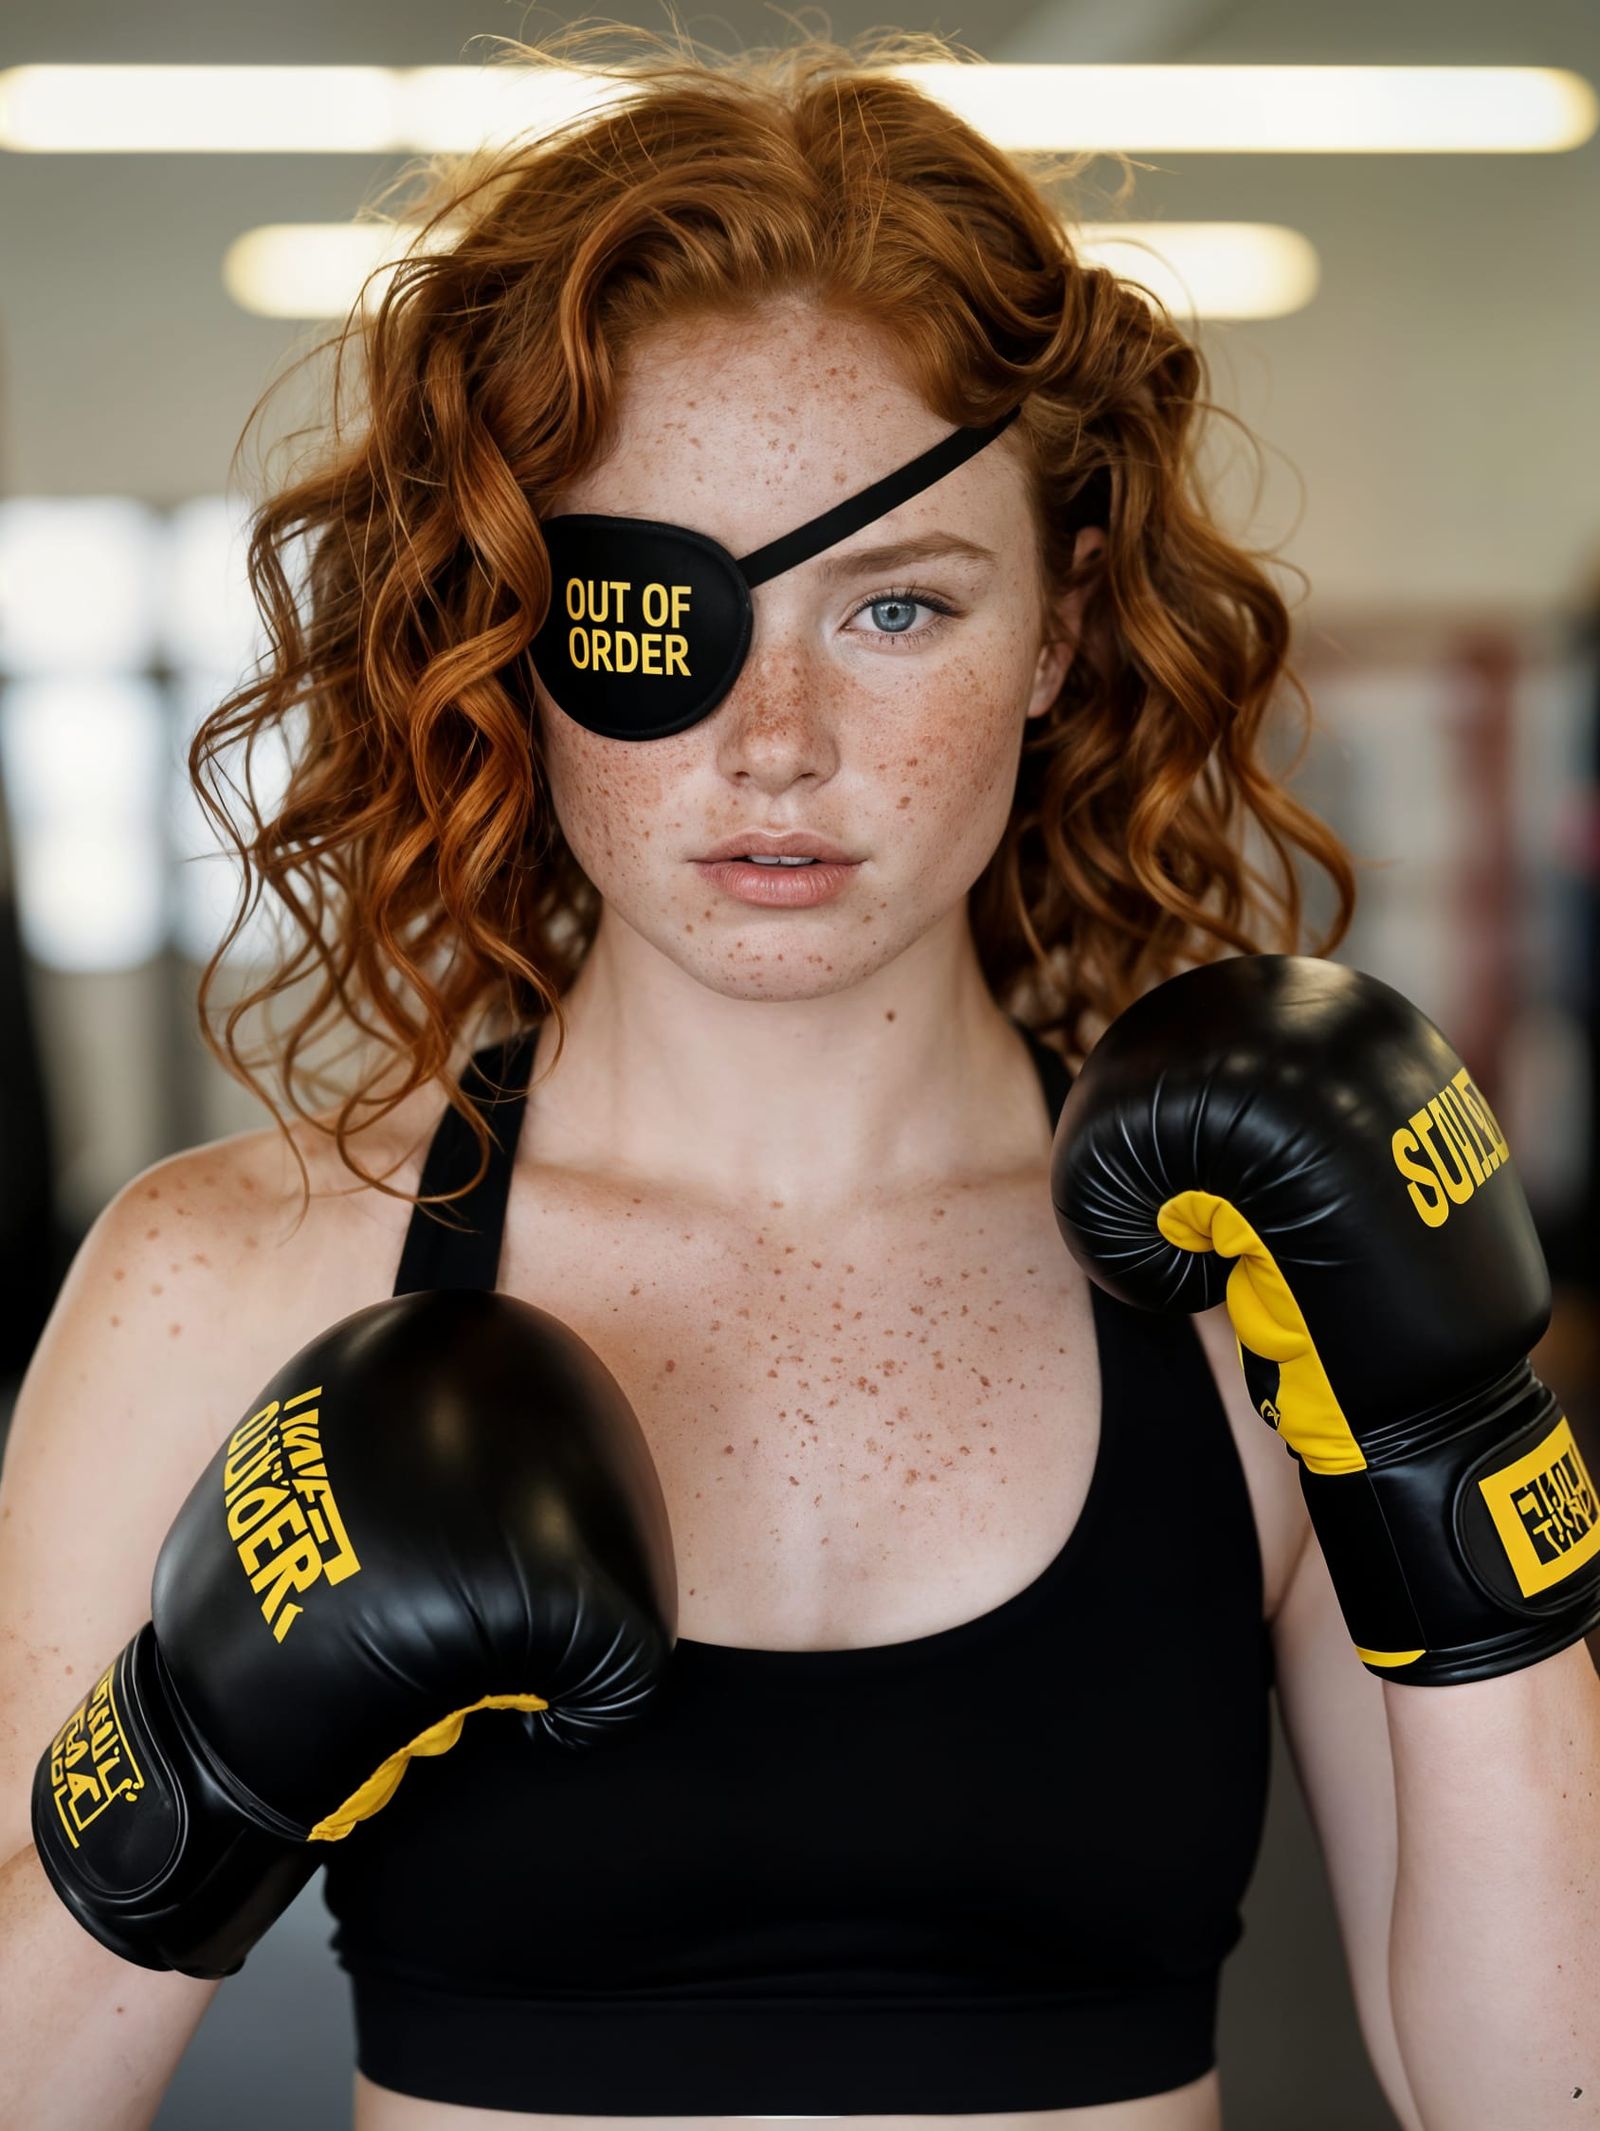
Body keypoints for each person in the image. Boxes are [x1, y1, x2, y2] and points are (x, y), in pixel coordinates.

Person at [17, 20, 1582, 2131]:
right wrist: (190, 1775)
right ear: (517, 635)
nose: (773, 745)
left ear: (1055, 630)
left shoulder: (1243, 1297)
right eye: (660, 621)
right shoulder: (228, 1280)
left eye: (894, 610)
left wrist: (1458, 1458)